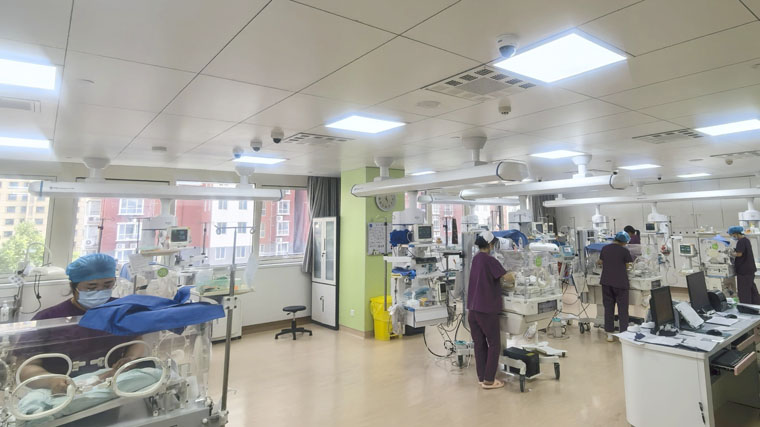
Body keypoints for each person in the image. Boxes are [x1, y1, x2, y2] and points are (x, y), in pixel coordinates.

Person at [17, 254, 143, 393]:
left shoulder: (121, 310)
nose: (100, 291)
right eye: (91, 287)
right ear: (73, 286)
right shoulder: (48, 318)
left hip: (111, 387)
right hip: (62, 393)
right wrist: (51, 381)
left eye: (107, 285)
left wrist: (131, 358)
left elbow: (136, 339)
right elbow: (25, 367)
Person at [467, 231, 515, 390]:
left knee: (479, 344)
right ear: (490, 245)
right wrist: (515, 274)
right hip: (486, 309)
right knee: (494, 343)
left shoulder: (476, 259)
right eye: (493, 244)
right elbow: (507, 277)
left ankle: (482, 377)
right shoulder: (490, 260)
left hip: (473, 309)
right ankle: (489, 380)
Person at [599, 231, 634, 342]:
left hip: (606, 282)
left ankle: (609, 334)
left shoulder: (605, 248)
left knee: (608, 308)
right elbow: (628, 266)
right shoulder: (624, 251)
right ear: (624, 242)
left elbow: (600, 262)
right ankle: (623, 334)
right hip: (620, 283)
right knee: (622, 309)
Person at [728, 226, 760, 304]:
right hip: (749, 270)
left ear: (735, 233)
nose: (732, 236)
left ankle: (746, 307)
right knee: (751, 289)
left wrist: (731, 253)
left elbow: (739, 254)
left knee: (744, 291)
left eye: (732, 235)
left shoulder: (741, 241)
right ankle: (756, 304)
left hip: (744, 271)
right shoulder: (746, 240)